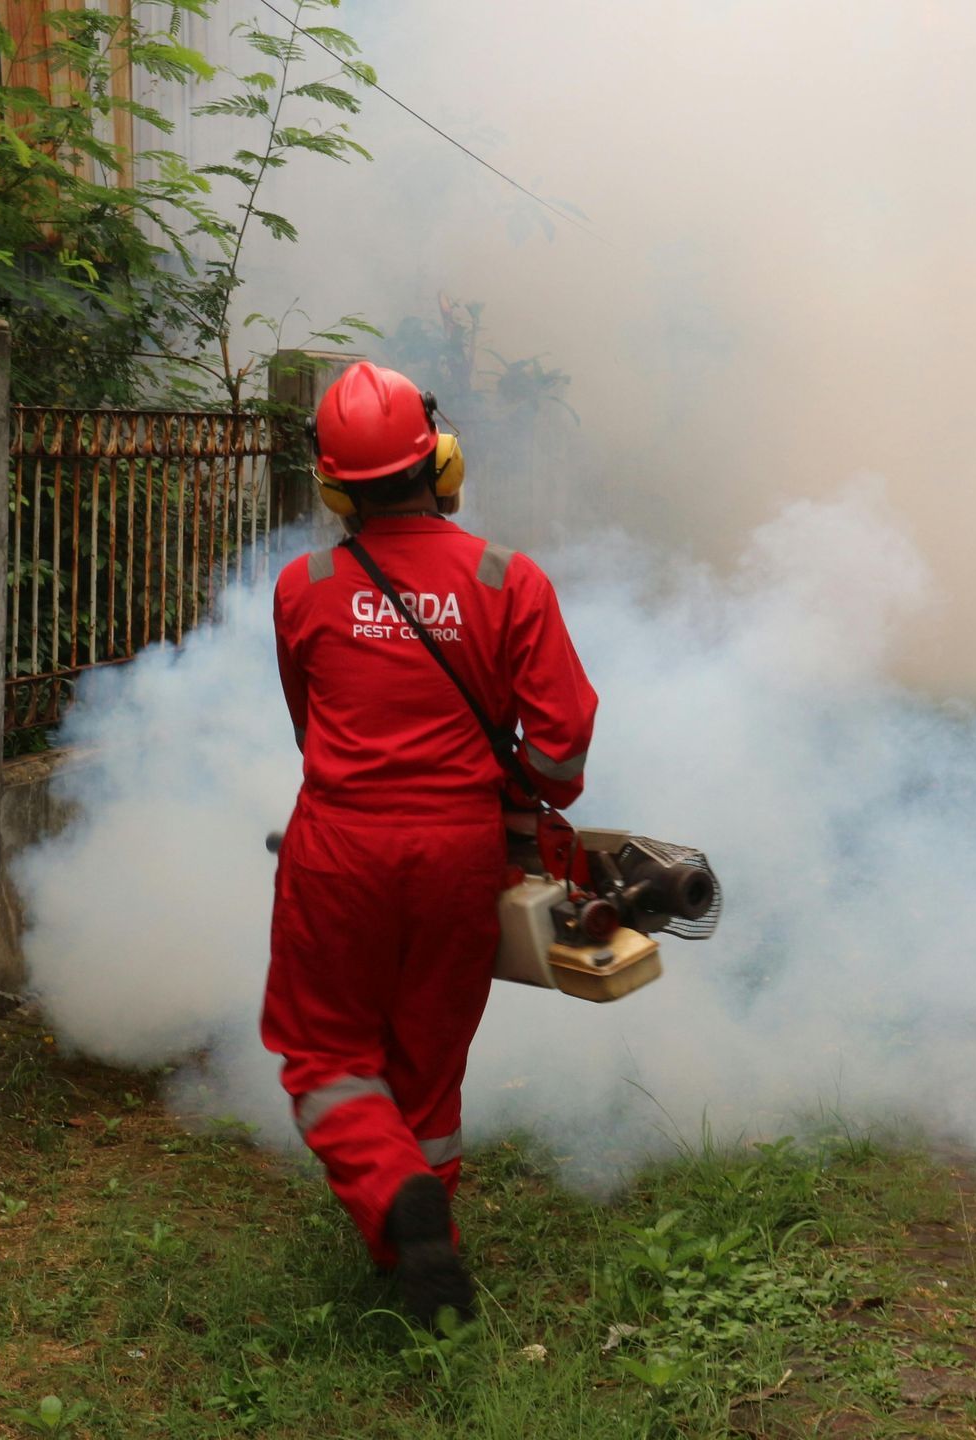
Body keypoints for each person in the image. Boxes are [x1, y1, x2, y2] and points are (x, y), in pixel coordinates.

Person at [264, 360, 599, 1327]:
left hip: (338, 852)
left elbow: (306, 722)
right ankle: (428, 1255)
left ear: (333, 487)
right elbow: (565, 742)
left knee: (322, 1050)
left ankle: (395, 1205)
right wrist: (533, 797)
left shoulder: (305, 585)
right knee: (428, 1059)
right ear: (441, 461)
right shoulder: (509, 579)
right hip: (459, 856)